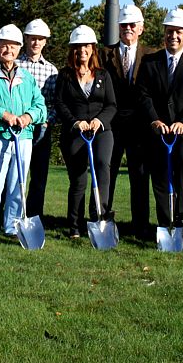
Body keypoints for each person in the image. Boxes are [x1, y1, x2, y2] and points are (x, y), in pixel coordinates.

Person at [136, 8, 183, 231]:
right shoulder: (150, 62)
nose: (173, 36)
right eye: (170, 32)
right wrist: (154, 120)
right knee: (159, 171)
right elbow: (143, 94)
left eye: (178, 32)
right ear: (164, 33)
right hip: (158, 128)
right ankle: (164, 219)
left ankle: (182, 212)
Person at [0, 24, 47, 238]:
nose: (8, 50)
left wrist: (28, 117)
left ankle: (12, 226)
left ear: (19, 48)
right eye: (4, 45)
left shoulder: (27, 78)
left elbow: (40, 106)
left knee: (17, 185)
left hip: (23, 138)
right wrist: (4, 114)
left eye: (13, 46)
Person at [54, 25, 117, 238]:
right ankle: (75, 226)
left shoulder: (103, 75)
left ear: (93, 49)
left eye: (86, 46)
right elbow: (60, 103)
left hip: (101, 131)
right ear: (73, 50)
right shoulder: (65, 76)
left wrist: (99, 120)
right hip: (75, 133)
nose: (82, 50)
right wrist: (75, 122)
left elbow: (111, 105)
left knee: (101, 168)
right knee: (78, 179)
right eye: (78, 47)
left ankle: (100, 216)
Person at [101, 3, 156, 237]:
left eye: (133, 25)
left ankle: (141, 225)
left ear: (141, 28)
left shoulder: (153, 56)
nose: (128, 29)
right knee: (107, 172)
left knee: (140, 175)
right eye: (124, 25)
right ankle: (102, 218)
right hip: (112, 124)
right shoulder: (104, 53)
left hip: (141, 126)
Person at [16, 18, 58, 219]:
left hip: (41, 128)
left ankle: (33, 216)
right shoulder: (15, 65)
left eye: (40, 39)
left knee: (39, 177)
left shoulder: (51, 70)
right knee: (15, 174)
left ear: (45, 42)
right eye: (33, 39)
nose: (36, 43)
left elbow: (54, 103)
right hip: (16, 128)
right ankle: (13, 214)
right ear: (26, 39)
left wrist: (47, 121)